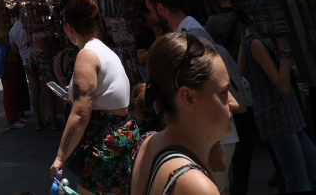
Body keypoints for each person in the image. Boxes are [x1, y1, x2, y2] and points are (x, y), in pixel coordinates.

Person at [50, 0, 140, 195]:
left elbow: (81, 114)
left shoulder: (86, 55)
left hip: (106, 145)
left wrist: (60, 157)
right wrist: (73, 95)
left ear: (68, 27)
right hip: (120, 137)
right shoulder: (104, 50)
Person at [130, 32, 238, 195]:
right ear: (188, 98)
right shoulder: (196, 187)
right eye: (223, 92)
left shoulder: (147, 142)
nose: (234, 103)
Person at [238, 22, 316, 192]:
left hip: (285, 115)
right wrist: (285, 57)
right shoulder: (256, 43)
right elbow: (282, 85)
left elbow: (241, 69)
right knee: (298, 179)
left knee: (310, 166)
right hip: (278, 116)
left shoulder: (246, 37)